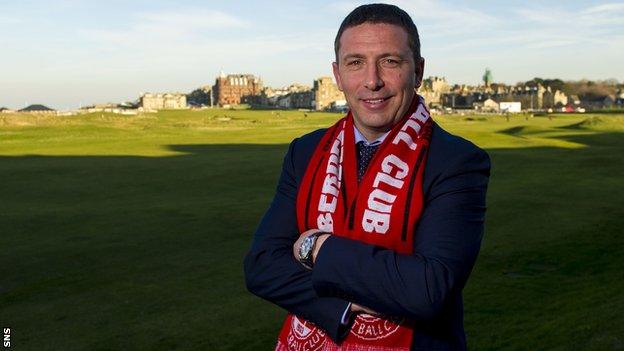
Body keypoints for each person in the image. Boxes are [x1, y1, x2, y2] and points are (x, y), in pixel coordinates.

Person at [244, 4, 490, 350]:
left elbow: (426, 290)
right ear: (338, 74)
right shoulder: (306, 151)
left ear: (418, 71)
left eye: (390, 61)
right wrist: (345, 304)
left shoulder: (457, 161)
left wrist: (316, 246)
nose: (372, 80)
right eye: (355, 62)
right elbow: (261, 267)